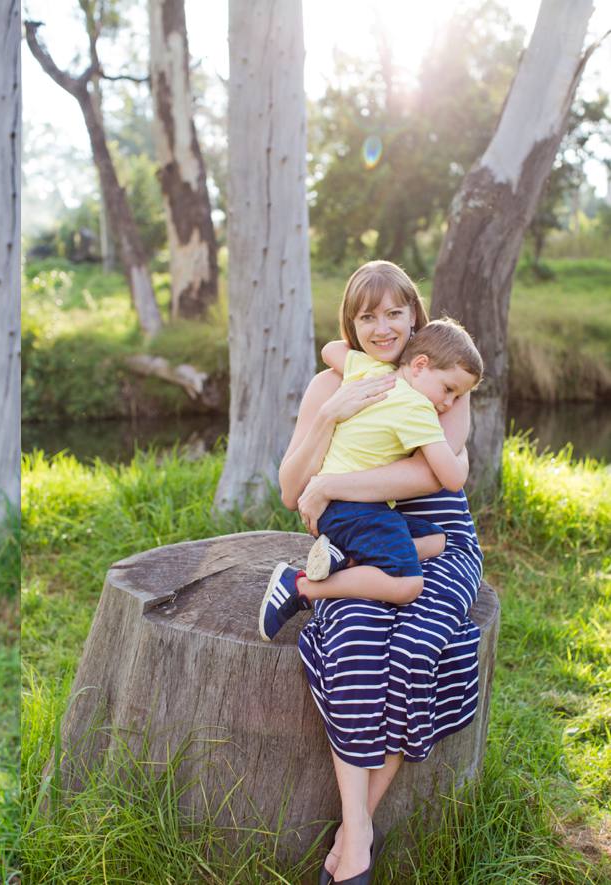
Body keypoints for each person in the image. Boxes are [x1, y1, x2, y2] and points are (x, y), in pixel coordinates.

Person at [277, 260, 484, 885]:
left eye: (395, 313)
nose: (382, 326)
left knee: (420, 649)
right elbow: (292, 490)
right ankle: (360, 827)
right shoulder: (336, 382)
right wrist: (330, 414)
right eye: (368, 315)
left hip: (439, 542)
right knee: (355, 642)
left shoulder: (445, 379)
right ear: (353, 322)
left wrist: (333, 483)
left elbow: (433, 475)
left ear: (415, 317)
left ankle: (352, 834)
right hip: (367, 546)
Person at [259, 318, 483, 641]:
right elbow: (450, 477)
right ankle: (300, 587)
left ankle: (343, 557)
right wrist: (461, 453)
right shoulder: (419, 408)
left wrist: (383, 361)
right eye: (449, 390)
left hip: (345, 507)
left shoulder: (372, 374)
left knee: (437, 541)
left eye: (457, 396)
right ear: (420, 364)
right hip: (351, 508)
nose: (448, 403)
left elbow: (331, 349)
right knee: (409, 585)